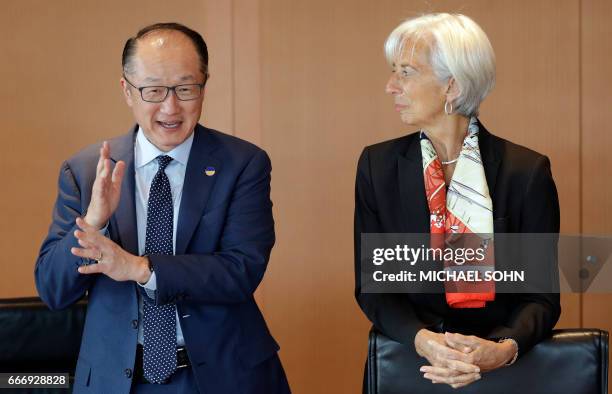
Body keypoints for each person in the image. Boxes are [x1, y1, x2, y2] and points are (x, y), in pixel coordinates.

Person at [35, 22, 290, 394]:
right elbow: (53, 290)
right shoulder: (87, 170)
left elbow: (241, 269)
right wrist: (94, 223)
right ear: (127, 90)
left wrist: (140, 268)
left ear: (204, 86)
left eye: (186, 89)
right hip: (116, 380)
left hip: (221, 375)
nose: (170, 107)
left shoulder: (242, 163)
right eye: (153, 90)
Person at [354, 13, 560, 391]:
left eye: (406, 73)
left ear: (451, 86)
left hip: (505, 371)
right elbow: (373, 286)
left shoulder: (526, 171)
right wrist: (425, 341)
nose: (390, 86)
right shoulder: (376, 166)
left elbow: (542, 298)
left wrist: (502, 349)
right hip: (410, 362)